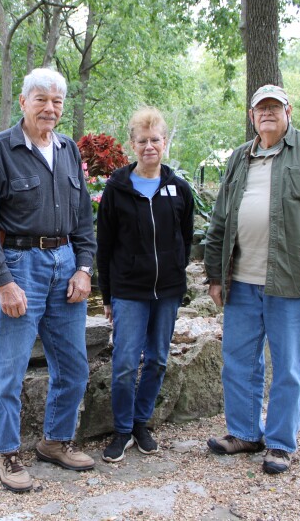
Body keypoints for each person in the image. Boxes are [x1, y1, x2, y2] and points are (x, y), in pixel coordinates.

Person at [204, 84, 300, 474]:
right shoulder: (239, 158)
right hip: (242, 281)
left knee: (289, 366)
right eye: (260, 108)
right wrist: (215, 276)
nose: (267, 113)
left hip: (294, 282)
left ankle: (281, 443)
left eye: (274, 107)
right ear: (251, 116)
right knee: (238, 360)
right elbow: (219, 220)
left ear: (288, 111)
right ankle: (245, 432)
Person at [0, 68, 97, 492]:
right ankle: (4, 451)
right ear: (23, 102)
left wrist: (84, 267)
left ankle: (55, 442)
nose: (50, 108)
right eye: (41, 99)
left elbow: (82, 218)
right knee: (11, 367)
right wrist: (3, 280)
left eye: (57, 101)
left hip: (66, 266)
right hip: (19, 265)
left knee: (74, 365)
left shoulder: (67, 149)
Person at [96, 107, 195, 463]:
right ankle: (122, 429)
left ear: (164, 143)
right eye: (143, 140)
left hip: (166, 292)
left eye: (155, 139)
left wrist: (174, 274)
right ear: (132, 145)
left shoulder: (179, 190)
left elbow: (185, 239)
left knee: (156, 360)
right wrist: (107, 295)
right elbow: (103, 247)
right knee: (124, 363)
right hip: (128, 292)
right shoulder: (117, 189)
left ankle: (141, 423)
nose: (149, 146)